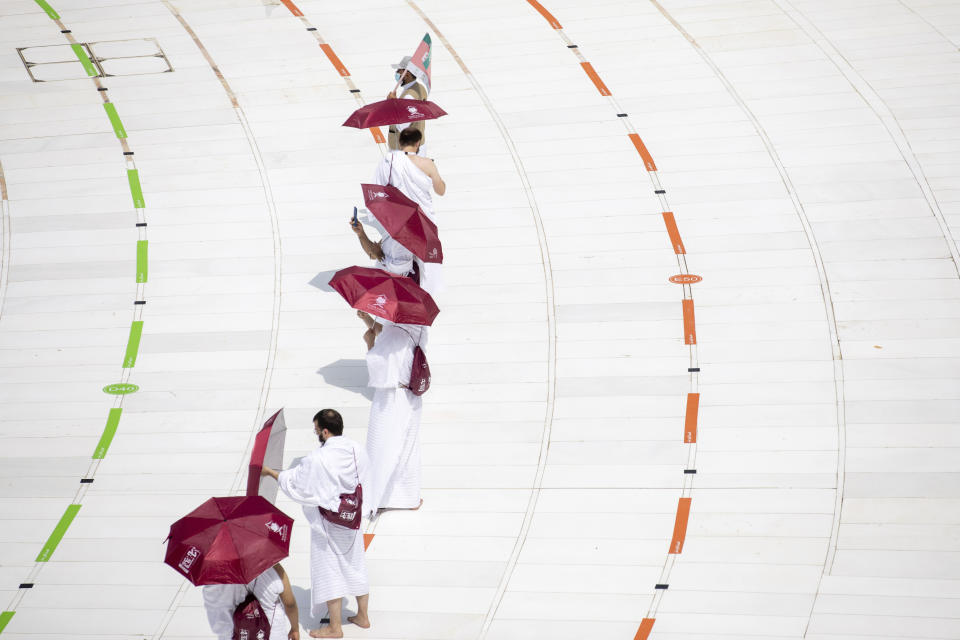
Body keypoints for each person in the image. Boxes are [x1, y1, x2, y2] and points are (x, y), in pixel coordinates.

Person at [261, 410, 370, 639]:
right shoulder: (355, 449)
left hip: (329, 523)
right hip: (352, 517)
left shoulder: (317, 459)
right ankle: (362, 616)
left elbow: (298, 482)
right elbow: (365, 478)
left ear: (325, 431)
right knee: (356, 564)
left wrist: (272, 473)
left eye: (316, 430)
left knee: (329, 570)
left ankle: (335, 627)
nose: (316, 434)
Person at [357, 311, 427, 516]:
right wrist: (368, 321)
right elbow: (387, 331)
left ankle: (374, 499)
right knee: (408, 448)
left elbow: (378, 369)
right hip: (411, 396)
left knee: (381, 448)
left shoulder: (392, 336)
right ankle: (410, 497)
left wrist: (369, 343)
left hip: (390, 398)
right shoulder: (417, 328)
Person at [373, 128, 445, 295]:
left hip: (399, 219)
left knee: (398, 263)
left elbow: (379, 188)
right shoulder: (427, 163)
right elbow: (440, 190)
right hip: (423, 220)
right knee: (425, 265)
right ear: (418, 143)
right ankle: (423, 297)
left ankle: (401, 295)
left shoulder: (389, 160)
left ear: (399, 143)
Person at [202, 562, 300, 640]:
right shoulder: (274, 567)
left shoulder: (216, 575)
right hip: (273, 633)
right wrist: (295, 628)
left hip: (236, 634)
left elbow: (217, 615)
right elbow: (290, 604)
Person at [387, 56, 429, 151]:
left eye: (399, 70)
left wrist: (393, 104)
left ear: (407, 74)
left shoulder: (409, 96)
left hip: (406, 150)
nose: (397, 73)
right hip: (417, 144)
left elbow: (403, 126)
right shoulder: (420, 88)